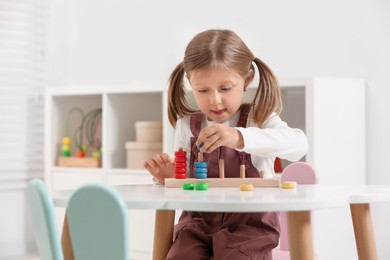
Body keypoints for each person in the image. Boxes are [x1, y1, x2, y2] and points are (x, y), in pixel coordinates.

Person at [144, 29, 308, 260]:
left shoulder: (259, 118)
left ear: (247, 79)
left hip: (249, 226)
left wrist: (239, 137)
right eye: (203, 90)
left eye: (225, 88)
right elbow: (186, 182)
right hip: (196, 225)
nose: (214, 99)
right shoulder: (186, 125)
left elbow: (299, 144)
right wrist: (169, 176)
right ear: (190, 83)